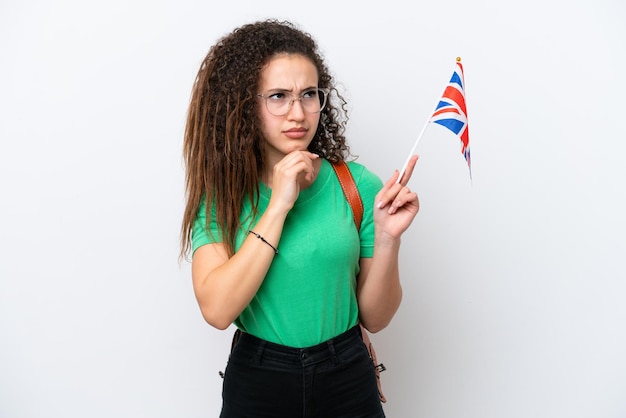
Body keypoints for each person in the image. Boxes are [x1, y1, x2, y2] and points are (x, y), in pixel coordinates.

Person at [180, 19, 419, 418]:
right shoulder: (222, 196)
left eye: (309, 94)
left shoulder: (356, 186)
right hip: (259, 376)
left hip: (346, 371)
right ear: (245, 104)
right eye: (278, 96)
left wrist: (389, 238)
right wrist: (279, 204)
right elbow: (217, 310)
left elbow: (376, 318)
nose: (298, 113)